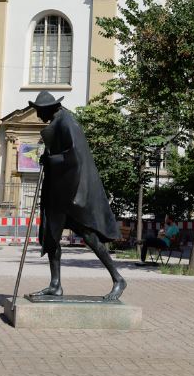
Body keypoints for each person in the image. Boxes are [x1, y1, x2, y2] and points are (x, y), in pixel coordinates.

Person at [28, 91, 127, 301]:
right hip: (58, 192)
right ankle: (55, 285)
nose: (38, 116)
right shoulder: (57, 121)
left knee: (89, 236)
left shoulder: (67, 122)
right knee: (51, 237)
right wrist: (48, 157)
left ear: (48, 108)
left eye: (39, 111)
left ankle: (118, 278)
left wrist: (51, 160)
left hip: (71, 193)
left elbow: (75, 156)